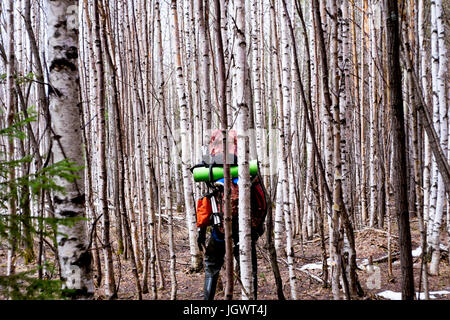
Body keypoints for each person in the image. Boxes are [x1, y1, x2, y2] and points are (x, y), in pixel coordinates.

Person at [195, 130, 267, 300]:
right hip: (245, 229)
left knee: (212, 265)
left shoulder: (210, 167)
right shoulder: (247, 168)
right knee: (249, 269)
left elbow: (207, 202)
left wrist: (201, 229)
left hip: (220, 228)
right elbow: (262, 200)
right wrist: (258, 227)